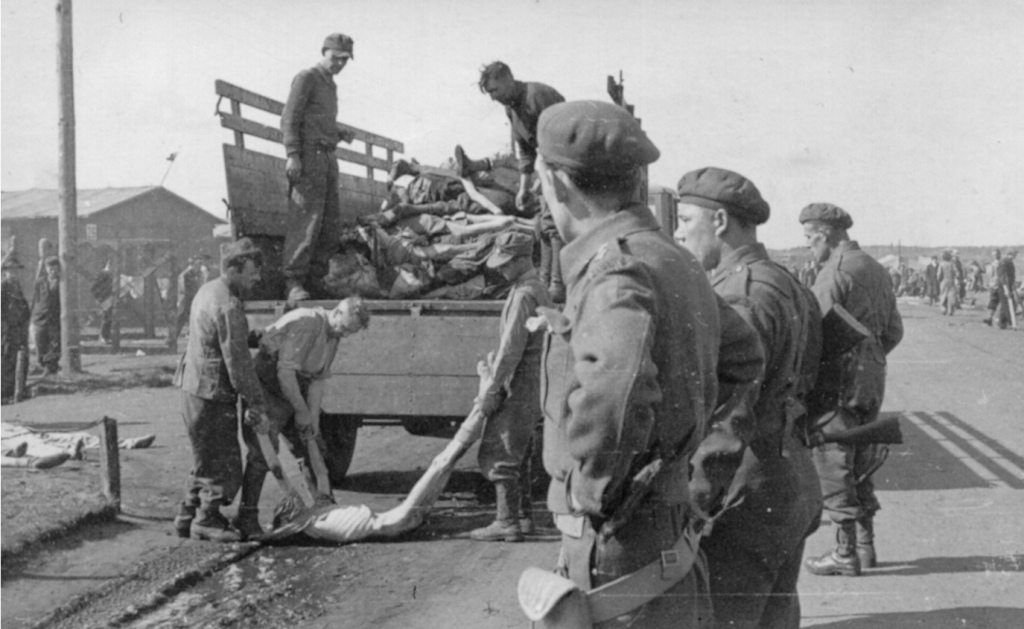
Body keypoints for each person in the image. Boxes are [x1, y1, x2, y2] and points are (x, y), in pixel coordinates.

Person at [532, 101, 720, 628]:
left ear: (556, 181)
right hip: (665, 536)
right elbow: (743, 355)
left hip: (617, 544)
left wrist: (593, 495)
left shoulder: (614, 268)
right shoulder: (672, 257)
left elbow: (615, 389)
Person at [674, 167, 823, 628]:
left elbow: (729, 414)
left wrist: (692, 503)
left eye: (684, 220)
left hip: (746, 491)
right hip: (788, 474)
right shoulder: (786, 282)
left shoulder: (742, 295)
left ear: (719, 222)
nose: (677, 234)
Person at [799, 203, 903, 577]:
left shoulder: (834, 272)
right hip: (872, 377)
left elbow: (814, 338)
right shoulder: (874, 268)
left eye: (809, 239)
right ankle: (865, 545)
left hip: (840, 380)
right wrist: (869, 357)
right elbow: (894, 331)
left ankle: (844, 553)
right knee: (861, 456)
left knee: (832, 456)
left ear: (824, 234)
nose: (810, 247)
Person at [236, 296, 370, 537]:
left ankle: (324, 507)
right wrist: (301, 411)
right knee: (262, 454)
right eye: (345, 328)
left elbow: (317, 380)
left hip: (294, 388)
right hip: (268, 387)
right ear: (337, 312)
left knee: (309, 445)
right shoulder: (307, 322)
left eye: (351, 332)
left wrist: (312, 423)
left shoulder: (333, 334)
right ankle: (246, 518)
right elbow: (285, 373)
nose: (345, 334)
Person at [172, 238, 271, 542]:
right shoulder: (228, 304)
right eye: (252, 273)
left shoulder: (208, 290)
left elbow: (218, 338)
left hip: (193, 387)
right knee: (224, 463)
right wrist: (257, 402)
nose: (257, 279)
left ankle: (186, 515)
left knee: (205, 457)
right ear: (234, 269)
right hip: (212, 393)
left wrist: (252, 336)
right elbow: (238, 364)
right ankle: (207, 520)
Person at [468, 231, 552, 542]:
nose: (500, 269)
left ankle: (506, 522)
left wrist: (492, 388)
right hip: (535, 381)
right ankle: (524, 518)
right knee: (522, 449)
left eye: (505, 263)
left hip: (520, 381)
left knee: (499, 448)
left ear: (521, 260)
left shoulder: (523, 295)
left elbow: (510, 349)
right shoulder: (535, 287)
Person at [477, 61, 567, 302]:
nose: (493, 98)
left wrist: (548, 171)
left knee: (555, 227)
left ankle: (557, 285)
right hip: (546, 166)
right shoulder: (512, 108)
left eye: (495, 90)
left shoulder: (537, 96)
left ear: (508, 79)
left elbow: (560, 137)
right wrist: (525, 188)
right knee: (544, 227)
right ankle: (546, 281)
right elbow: (526, 150)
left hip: (566, 162)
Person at [280, 33, 357, 304]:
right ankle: (293, 281)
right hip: (309, 157)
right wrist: (293, 155)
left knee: (329, 223)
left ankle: (315, 280)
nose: (339, 64)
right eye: (335, 57)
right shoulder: (307, 78)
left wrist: (338, 131)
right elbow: (290, 119)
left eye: (344, 60)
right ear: (323, 52)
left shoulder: (330, 86)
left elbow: (317, 121)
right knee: (306, 220)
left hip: (327, 157)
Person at [2, 250, 31, 401]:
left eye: (16, 270)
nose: (14, 273)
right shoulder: (3, 287)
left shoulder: (17, 286)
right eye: (10, 270)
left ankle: (19, 389)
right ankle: (5, 394)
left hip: (20, 330)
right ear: (5, 271)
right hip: (7, 331)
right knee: (7, 361)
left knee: (22, 360)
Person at [30, 257, 62, 375]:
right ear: (46, 269)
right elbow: (36, 299)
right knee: (40, 340)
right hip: (40, 317)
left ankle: (51, 367)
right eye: (50, 268)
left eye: (55, 269)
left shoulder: (62, 282)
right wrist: (34, 314)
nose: (52, 271)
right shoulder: (40, 282)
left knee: (54, 342)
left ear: (58, 269)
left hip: (54, 317)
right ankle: (42, 364)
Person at [171, 255, 210, 343]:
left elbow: (202, 285)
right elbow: (184, 289)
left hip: (195, 299)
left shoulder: (199, 274)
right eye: (198, 263)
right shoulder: (185, 275)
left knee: (196, 319)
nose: (200, 265)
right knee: (180, 319)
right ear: (192, 264)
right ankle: (172, 339)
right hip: (186, 301)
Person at [983, 249, 1015, 328]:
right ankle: (992, 319)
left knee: (1001, 303)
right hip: (996, 285)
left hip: (998, 285)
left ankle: (999, 320)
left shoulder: (1000, 262)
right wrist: (990, 283)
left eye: (996, 255)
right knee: (995, 302)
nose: (995, 256)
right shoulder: (996, 263)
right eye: (993, 255)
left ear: (999, 254)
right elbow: (991, 275)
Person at [90, 260, 115, 344]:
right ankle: (104, 336)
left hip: (109, 298)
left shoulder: (110, 275)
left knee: (108, 317)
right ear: (108, 264)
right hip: (104, 299)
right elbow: (93, 287)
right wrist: (99, 298)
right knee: (106, 317)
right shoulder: (103, 274)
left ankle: (105, 336)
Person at [937, 250, 960, 316]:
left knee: (943, 295)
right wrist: (956, 278)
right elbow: (957, 273)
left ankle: (943, 309)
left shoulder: (941, 264)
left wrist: (939, 279)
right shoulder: (952, 264)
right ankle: (950, 311)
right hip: (951, 281)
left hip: (943, 281)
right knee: (952, 296)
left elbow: (939, 274)